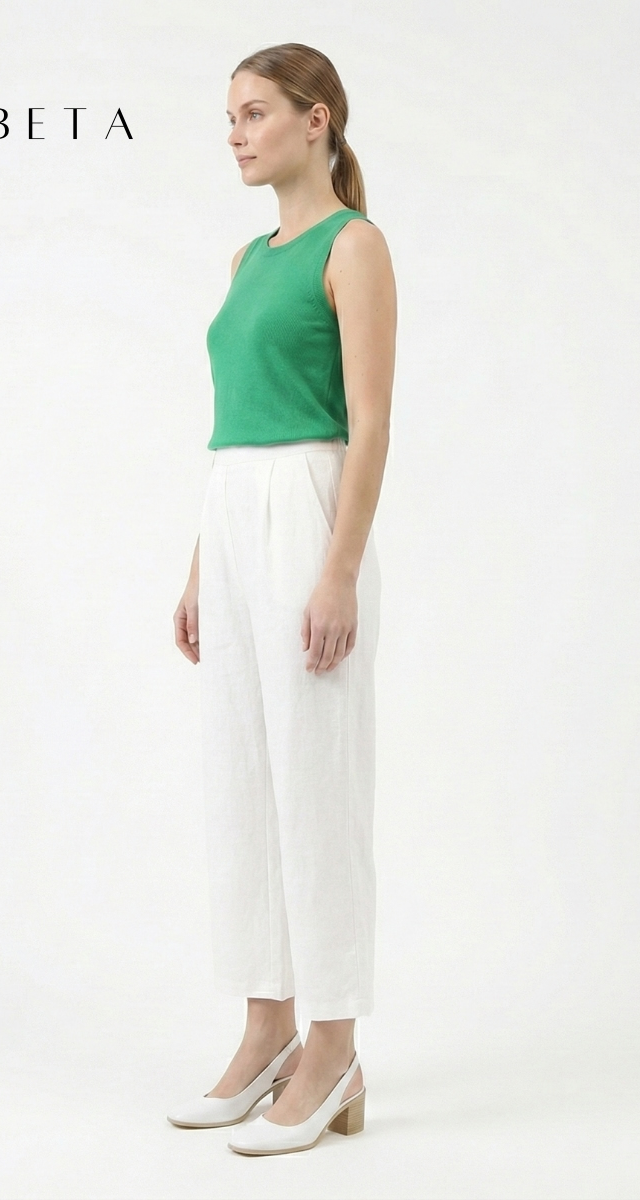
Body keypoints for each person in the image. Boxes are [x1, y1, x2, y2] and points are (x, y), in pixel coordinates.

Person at [167, 42, 396, 1156]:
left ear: (318, 121)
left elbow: (370, 420)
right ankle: (267, 1030)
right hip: (232, 511)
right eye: (230, 117)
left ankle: (334, 1044)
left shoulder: (354, 247)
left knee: (317, 783)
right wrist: (198, 565)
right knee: (243, 782)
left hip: (309, 509)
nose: (236, 134)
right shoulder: (243, 259)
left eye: (255, 113)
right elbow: (232, 425)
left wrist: (338, 569)